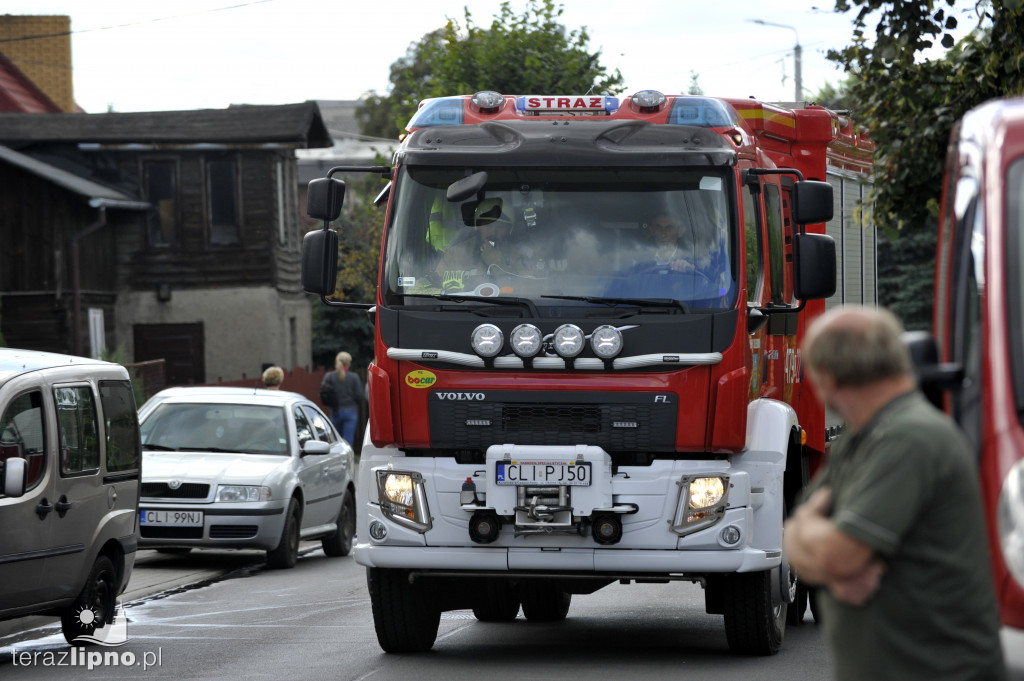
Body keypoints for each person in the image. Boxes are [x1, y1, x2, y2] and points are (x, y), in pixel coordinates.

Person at [784, 305, 1006, 681]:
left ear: (830, 376)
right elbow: (794, 538)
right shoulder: (863, 435)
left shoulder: (909, 436)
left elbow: (835, 552)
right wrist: (826, 553)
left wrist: (824, 549)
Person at [435, 197, 527, 290]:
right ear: (478, 226)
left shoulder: (517, 255)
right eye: (488, 225)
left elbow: (525, 289)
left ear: (508, 230)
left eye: (500, 227)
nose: (493, 232)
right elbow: (435, 284)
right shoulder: (455, 253)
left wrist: (496, 262)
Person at [320, 351, 364, 445]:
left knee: (336, 442)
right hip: (350, 411)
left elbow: (323, 393)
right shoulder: (354, 377)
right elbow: (359, 396)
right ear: (348, 363)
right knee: (348, 442)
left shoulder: (329, 376)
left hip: (335, 411)